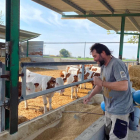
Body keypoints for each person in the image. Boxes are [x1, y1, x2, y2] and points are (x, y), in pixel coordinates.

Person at [83, 43, 134, 140]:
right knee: (109, 135)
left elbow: (124, 85)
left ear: (103, 53)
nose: (94, 59)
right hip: (109, 108)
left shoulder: (116, 64)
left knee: (117, 137)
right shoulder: (103, 66)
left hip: (120, 110)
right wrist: (90, 96)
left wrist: (101, 82)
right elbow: (100, 86)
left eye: (95, 56)